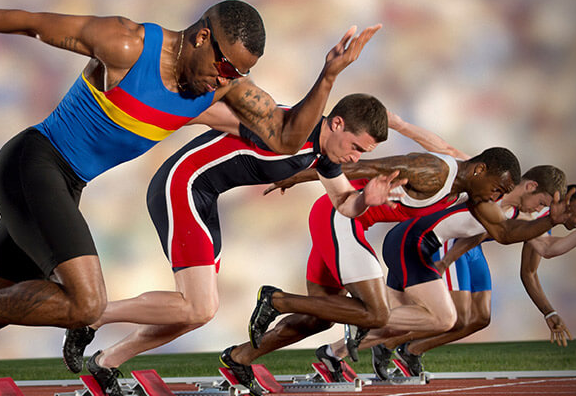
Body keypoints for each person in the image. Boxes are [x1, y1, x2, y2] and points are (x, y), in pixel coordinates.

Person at [0, 0, 381, 394]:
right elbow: (33, 24)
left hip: (66, 186)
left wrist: (329, 74)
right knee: (85, 303)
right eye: (225, 66)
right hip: (32, 165)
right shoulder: (128, 44)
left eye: (237, 75)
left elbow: (288, 138)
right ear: (202, 37)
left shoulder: (221, 89)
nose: (226, 80)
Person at [61, 93, 415, 396]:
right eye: (356, 147)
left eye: (362, 152)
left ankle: (106, 362)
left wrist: (366, 199)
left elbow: (344, 203)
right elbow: (204, 111)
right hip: (182, 185)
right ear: (336, 124)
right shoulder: (286, 125)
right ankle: (92, 315)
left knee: (196, 312)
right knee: (199, 306)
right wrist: (126, 121)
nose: (355, 158)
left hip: (204, 197)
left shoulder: (323, 155)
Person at [218, 146, 547, 394]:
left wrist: (553, 220)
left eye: (502, 194)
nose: (497, 197)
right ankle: (277, 300)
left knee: (319, 317)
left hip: (341, 223)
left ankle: (240, 357)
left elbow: (505, 233)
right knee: (375, 313)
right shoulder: (436, 170)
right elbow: (363, 166)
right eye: (498, 188)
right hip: (341, 217)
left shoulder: (469, 193)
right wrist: (296, 176)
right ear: (479, 169)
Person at [328, 169, 576, 380]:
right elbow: (496, 232)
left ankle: (395, 346)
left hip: (464, 243)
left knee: (477, 319)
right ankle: (371, 333)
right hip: (444, 241)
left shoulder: (530, 212)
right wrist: (447, 261)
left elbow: (542, 252)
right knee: (448, 317)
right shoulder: (512, 199)